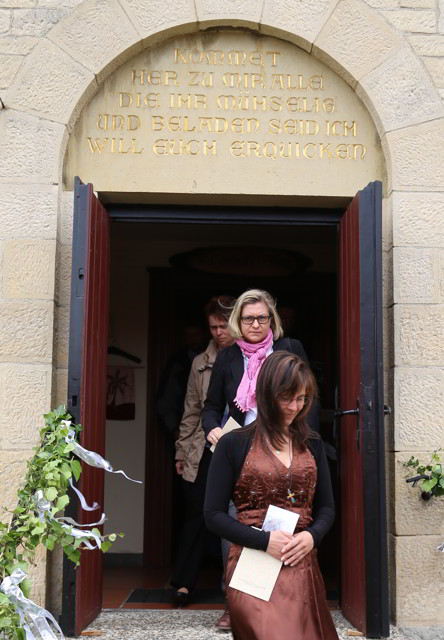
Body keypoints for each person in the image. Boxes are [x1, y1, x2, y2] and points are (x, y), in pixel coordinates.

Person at [201, 288, 319, 629]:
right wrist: (212, 429)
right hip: (240, 448)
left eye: (262, 318)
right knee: (235, 520)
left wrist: (306, 441)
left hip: (285, 443)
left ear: (273, 320)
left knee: (288, 517)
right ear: (238, 321)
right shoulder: (227, 356)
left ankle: (288, 597)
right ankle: (234, 600)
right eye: (248, 318)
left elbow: (307, 397)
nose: (255, 324)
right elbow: (210, 408)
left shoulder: (289, 349)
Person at [204, 351, 338, 640]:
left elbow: (327, 507)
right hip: (252, 561)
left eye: (302, 399)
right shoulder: (233, 443)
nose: (294, 407)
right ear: (266, 395)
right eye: (287, 398)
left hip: (300, 561)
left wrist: (312, 536)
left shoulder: (312, 443)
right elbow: (212, 515)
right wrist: (264, 541)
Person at [171, 296, 235, 605]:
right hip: (204, 445)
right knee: (196, 512)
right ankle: (184, 583)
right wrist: (181, 453)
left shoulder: (250, 357)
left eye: (224, 325)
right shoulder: (200, 362)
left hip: (241, 445)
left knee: (239, 515)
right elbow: (190, 411)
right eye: (213, 327)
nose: (219, 332)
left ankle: (235, 584)